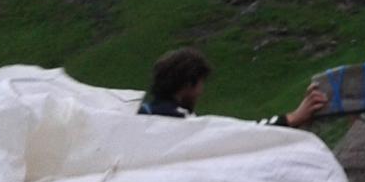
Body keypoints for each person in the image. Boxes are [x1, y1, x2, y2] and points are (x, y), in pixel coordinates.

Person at [139, 46, 328, 127]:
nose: (201, 92)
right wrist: (293, 117)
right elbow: (239, 134)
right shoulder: (181, 121)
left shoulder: (140, 115)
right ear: (189, 84)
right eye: (200, 84)